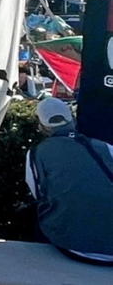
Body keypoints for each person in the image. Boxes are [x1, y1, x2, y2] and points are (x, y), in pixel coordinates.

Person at [26, 97, 113, 264]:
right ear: (71, 118)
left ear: (41, 126)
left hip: (72, 245)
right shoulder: (105, 148)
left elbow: (38, 194)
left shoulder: (37, 154)